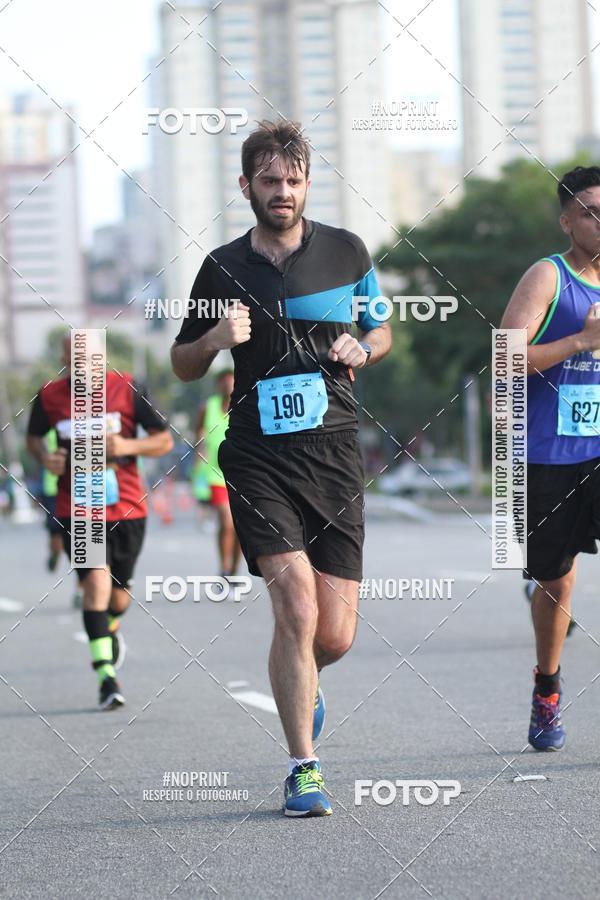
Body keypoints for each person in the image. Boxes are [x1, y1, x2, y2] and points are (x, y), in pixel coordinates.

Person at [171, 120, 392, 816]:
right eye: (270, 180)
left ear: (307, 184)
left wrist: (366, 346)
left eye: (294, 180)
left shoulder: (347, 251)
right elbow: (181, 363)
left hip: (332, 453)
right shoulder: (221, 267)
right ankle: (304, 768)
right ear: (246, 187)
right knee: (295, 606)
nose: (284, 192)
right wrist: (213, 337)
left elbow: (381, 324)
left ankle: (301, 678)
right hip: (258, 456)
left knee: (335, 635)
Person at [501, 165, 600, 751]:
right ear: (567, 220)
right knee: (556, 582)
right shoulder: (549, 276)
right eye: (589, 210)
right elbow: (506, 360)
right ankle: (548, 686)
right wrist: (582, 343)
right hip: (549, 455)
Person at [27, 334, 173, 710]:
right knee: (95, 584)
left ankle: (110, 626)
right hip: (78, 507)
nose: (82, 368)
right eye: (73, 361)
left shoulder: (127, 389)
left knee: (118, 598)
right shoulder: (49, 396)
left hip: (127, 508)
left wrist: (126, 446)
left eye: (89, 360)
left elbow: (163, 441)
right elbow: (33, 440)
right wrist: (46, 459)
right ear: (63, 361)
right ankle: (106, 675)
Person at [195, 368, 241, 578]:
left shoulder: (244, 405)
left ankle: (233, 571)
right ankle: (223, 566)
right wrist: (200, 453)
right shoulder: (208, 407)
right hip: (215, 473)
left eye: (231, 382)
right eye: (224, 382)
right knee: (226, 520)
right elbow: (199, 433)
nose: (228, 386)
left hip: (242, 474)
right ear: (218, 385)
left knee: (241, 527)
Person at [40, 429, 63, 572]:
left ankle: (81, 588)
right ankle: (55, 553)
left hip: (80, 487)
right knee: (55, 532)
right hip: (52, 488)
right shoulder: (46, 425)